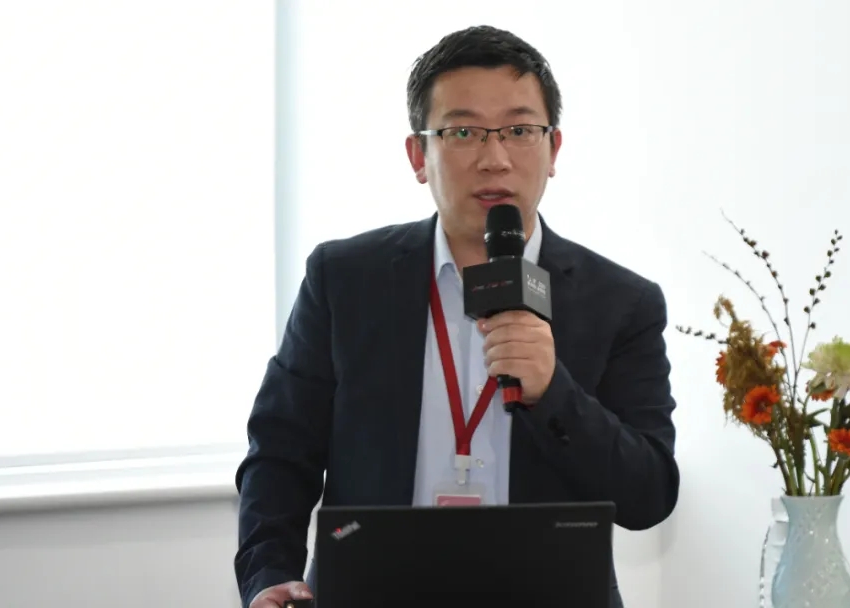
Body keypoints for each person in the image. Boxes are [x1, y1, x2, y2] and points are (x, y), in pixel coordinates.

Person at [234, 25, 680, 608]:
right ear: (419, 156)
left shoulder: (622, 302)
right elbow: (280, 451)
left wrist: (554, 392)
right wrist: (269, 574)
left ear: (553, 150)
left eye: (520, 130)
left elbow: (649, 495)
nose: (495, 159)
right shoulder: (344, 280)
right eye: (463, 131)